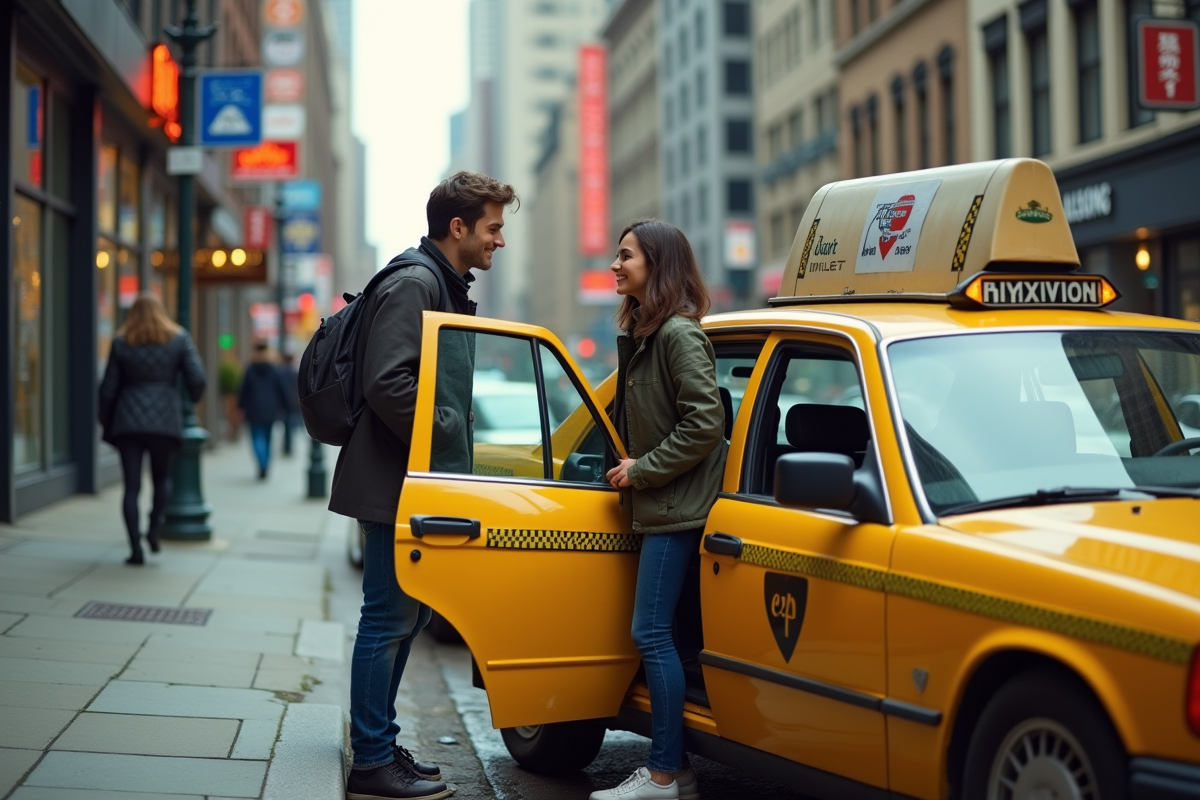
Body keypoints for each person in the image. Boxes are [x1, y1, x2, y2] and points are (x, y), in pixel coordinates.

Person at [330, 171, 517, 800]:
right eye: (493, 227)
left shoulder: (438, 282)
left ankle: (379, 744)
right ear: (458, 227)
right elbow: (389, 383)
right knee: (388, 615)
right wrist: (446, 428)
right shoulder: (417, 283)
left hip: (406, 479)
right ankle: (372, 763)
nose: (500, 240)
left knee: (404, 616)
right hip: (391, 480)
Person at [595, 220, 727, 800]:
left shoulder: (677, 334)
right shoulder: (648, 335)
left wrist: (640, 470)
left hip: (677, 511)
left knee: (649, 634)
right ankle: (679, 771)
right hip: (662, 507)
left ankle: (663, 775)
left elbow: (706, 423)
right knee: (664, 636)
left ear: (658, 264)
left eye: (626, 256)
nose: (616, 265)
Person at [98, 294, 206, 566]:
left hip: (128, 421)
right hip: (164, 420)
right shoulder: (179, 338)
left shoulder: (122, 341)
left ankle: (135, 548)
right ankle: (154, 530)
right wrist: (191, 399)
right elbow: (197, 378)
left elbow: (108, 388)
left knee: (131, 487)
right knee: (162, 480)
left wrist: (106, 421)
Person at [238, 342, 289, 480]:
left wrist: (240, 406)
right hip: (270, 409)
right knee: (267, 439)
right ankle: (265, 464)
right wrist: (284, 406)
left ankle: (262, 464)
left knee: (256, 438)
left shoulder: (250, 369)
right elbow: (281, 389)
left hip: (253, 408)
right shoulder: (273, 369)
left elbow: (243, 390)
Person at [277, 352, 300, 457]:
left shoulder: (280, 373)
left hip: (284, 402)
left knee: (287, 425)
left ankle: (287, 447)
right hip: (292, 402)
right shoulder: (294, 372)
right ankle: (288, 447)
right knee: (290, 425)